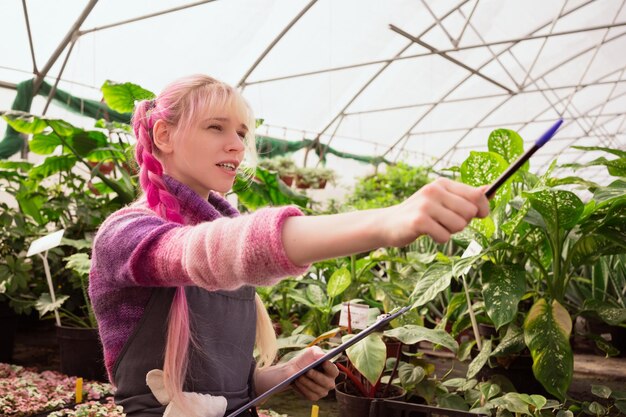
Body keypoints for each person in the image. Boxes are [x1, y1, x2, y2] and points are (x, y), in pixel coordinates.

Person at [89, 74, 490, 417]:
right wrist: (385, 221)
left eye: (242, 133)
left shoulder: (221, 229)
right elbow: (210, 251)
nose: (237, 145)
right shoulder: (127, 234)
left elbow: (218, 384)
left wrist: (278, 377)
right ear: (164, 134)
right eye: (216, 127)